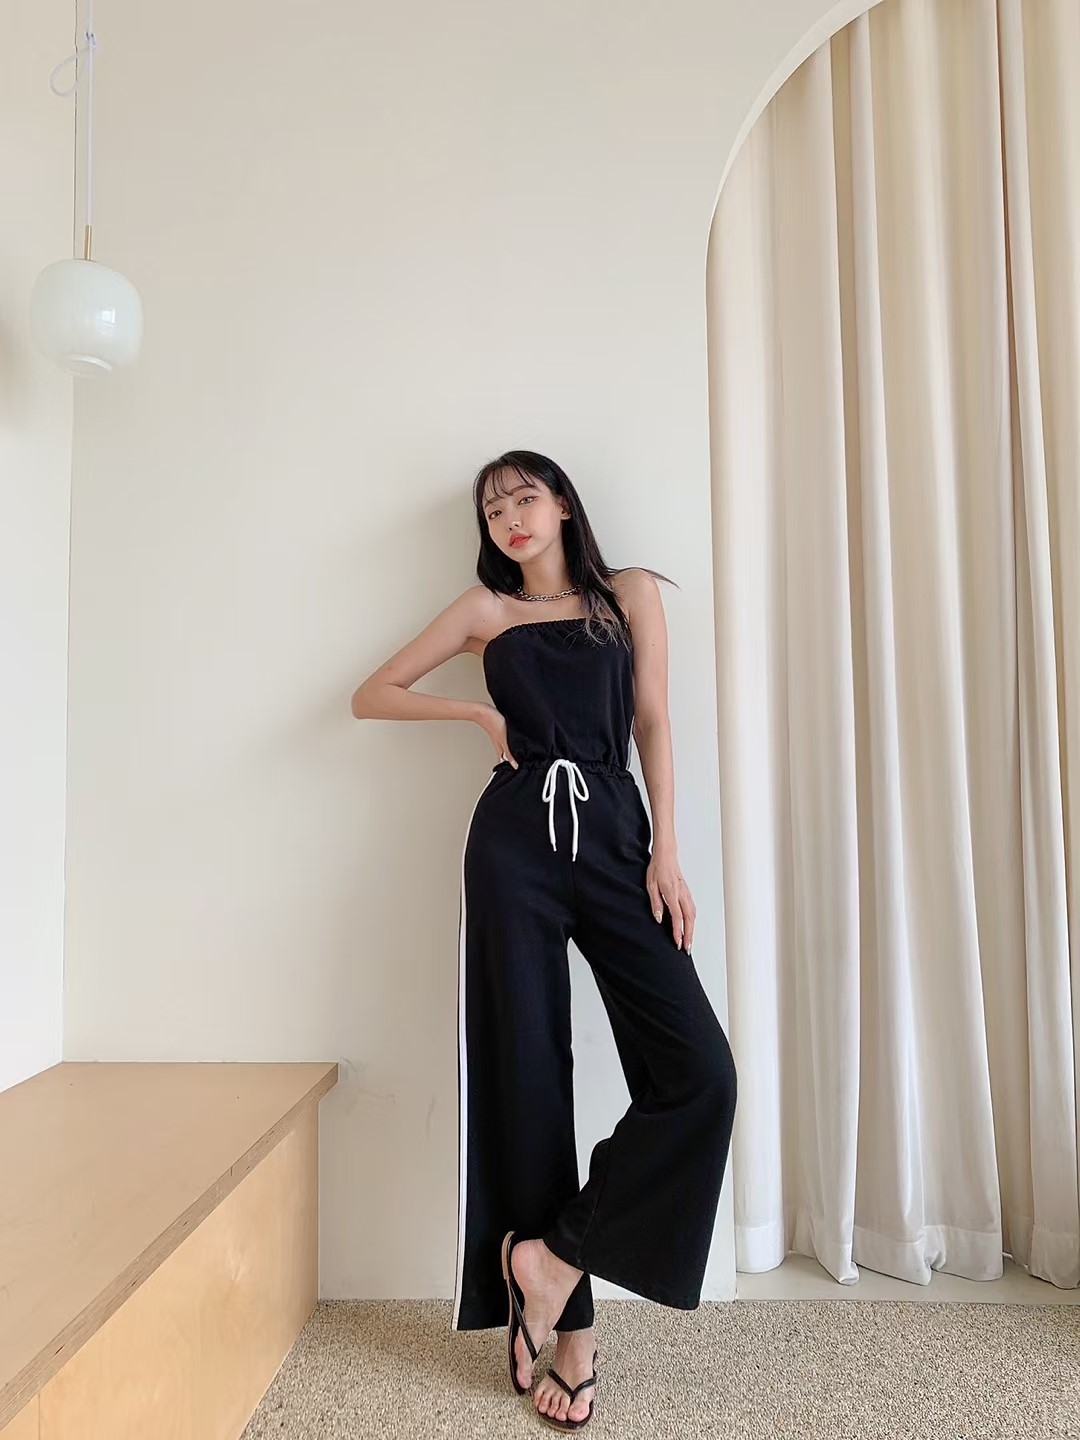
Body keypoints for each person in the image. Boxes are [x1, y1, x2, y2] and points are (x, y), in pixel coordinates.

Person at [351, 450, 737, 1430]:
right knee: (529, 1078)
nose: (511, 517)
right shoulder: (486, 610)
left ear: (562, 503)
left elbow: (653, 721)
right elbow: (373, 691)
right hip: (514, 842)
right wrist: (476, 711)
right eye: (494, 509)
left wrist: (666, 852)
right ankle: (573, 1338)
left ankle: (552, 1254)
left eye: (525, 497)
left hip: (615, 838)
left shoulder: (628, 592)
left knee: (701, 1074)